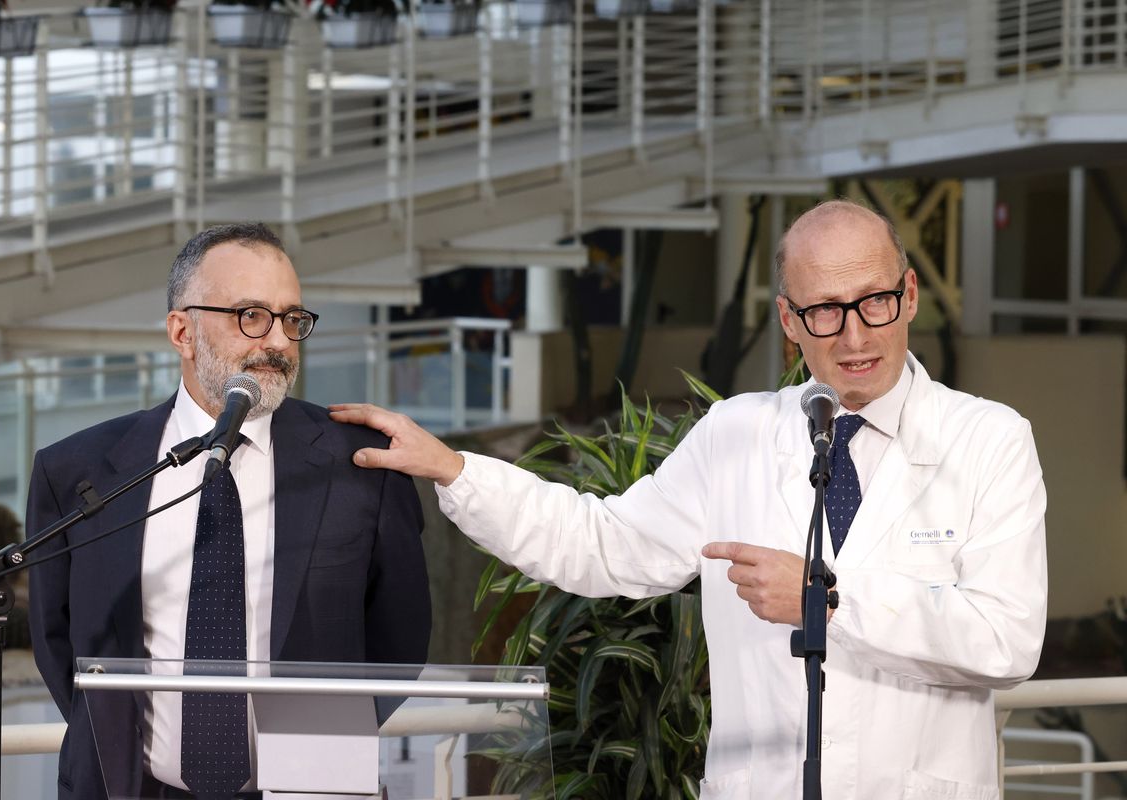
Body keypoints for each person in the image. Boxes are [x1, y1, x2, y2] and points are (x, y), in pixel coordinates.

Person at [330, 200, 1048, 799]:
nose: (855, 334)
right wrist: (457, 471)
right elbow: (602, 546)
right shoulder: (737, 433)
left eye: (875, 302)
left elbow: (1006, 642)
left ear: (910, 295)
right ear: (790, 320)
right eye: (825, 312)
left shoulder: (989, 441)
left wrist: (828, 599)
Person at [27, 223, 431, 800]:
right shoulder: (78, 472)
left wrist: (323, 756)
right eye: (250, 315)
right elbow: (58, 639)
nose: (278, 342)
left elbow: (400, 639)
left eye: (292, 319)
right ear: (182, 331)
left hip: (311, 791)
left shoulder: (363, 463)